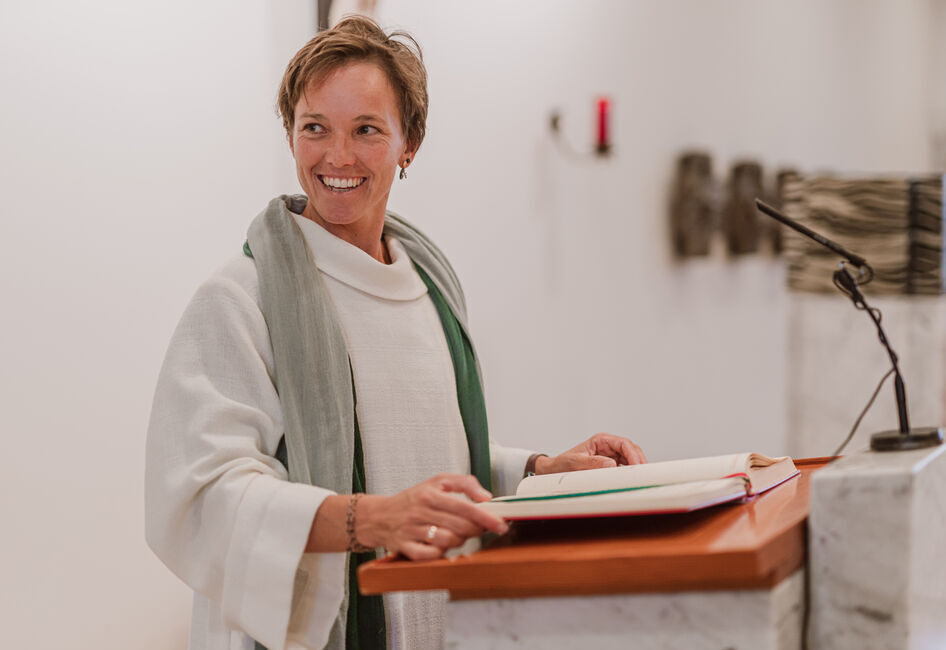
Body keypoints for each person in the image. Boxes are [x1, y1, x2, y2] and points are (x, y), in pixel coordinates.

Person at [145, 15, 646, 650]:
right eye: (314, 128)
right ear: (291, 135)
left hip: (434, 618)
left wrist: (541, 470)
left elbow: (430, 457)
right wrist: (374, 518)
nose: (338, 156)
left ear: (409, 144)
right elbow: (202, 497)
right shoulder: (243, 299)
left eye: (367, 130)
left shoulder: (430, 285)